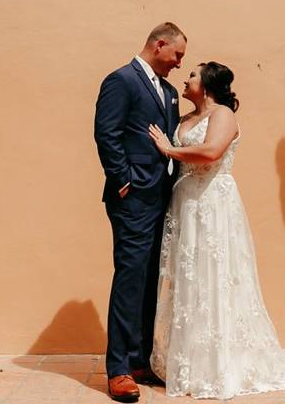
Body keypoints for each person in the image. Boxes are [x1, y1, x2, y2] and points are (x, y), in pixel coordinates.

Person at [147, 62, 285, 399]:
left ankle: (219, 364)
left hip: (214, 202)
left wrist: (169, 149)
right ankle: (187, 361)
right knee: (189, 278)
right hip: (186, 201)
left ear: (207, 84)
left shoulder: (222, 115)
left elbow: (211, 151)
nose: (186, 78)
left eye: (193, 74)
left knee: (215, 276)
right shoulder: (184, 119)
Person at [94, 22, 188, 403]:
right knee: (130, 277)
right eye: (177, 54)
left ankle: (139, 360)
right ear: (159, 44)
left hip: (160, 197)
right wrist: (122, 180)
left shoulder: (167, 91)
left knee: (151, 279)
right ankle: (117, 369)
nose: (180, 64)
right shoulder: (121, 80)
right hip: (131, 198)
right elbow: (106, 132)